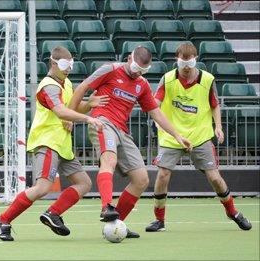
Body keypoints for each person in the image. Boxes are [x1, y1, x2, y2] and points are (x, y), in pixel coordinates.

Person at [69, 46, 193, 238]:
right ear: (128, 59)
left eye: (143, 71)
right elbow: (83, 87)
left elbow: (156, 112)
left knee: (141, 179)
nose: (138, 73)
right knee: (108, 160)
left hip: (122, 130)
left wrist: (177, 136)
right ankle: (106, 207)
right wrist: (70, 116)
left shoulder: (142, 84)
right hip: (102, 121)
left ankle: (117, 225)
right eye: (136, 68)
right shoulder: (110, 69)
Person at [0, 46, 107, 241]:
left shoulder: (67, 83)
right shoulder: (48, 86)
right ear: (52, 63)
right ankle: (3, 220)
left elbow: (72, 107)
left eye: (71, 64)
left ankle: (53, 213)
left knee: (84, 183)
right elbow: (62, 112)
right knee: (42, 187)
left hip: (62, 143)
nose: (68, 68)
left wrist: (89, 103)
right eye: (64, 64)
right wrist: (88, 118)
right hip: (47, 141)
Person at [145, 43, 252, 232]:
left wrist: (218, 127)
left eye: (190, 62)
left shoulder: (208, 79)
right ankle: (159, 219)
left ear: (196, 60)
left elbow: (215, 105)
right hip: (173, 136)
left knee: (215, 178)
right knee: (163, 175)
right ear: (177, 60)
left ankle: (232, 211)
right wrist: (156, 117)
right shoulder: (167, 79)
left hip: (200, 135)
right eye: (183, 62)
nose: (186, 67)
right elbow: (156, 103)